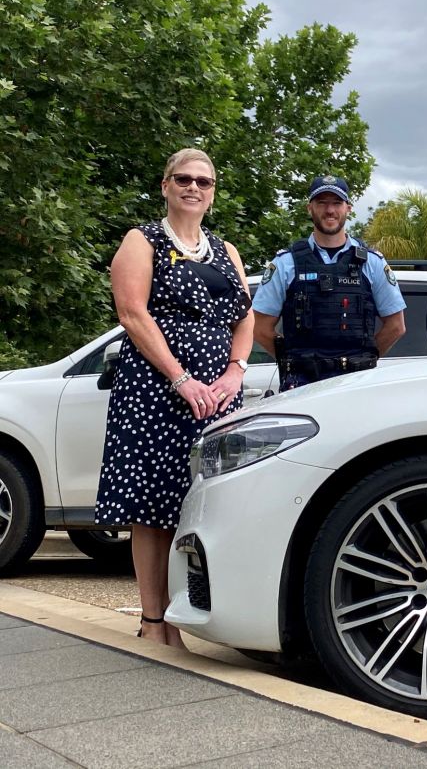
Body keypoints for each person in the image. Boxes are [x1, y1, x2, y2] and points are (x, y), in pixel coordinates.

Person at [95, 148, 253, 647]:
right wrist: (181, 379)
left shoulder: (226, 250)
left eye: (203, 181)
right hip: (157, 390)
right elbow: (132, 313)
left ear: (212, 191)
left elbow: (244, 317)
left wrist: (234, 373)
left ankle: (196, 615)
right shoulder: (143, 240)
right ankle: (153, 621)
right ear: (165, 185)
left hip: (216, 395)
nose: (193, 187)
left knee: (203, 504)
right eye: (183, 179)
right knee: (152, 507)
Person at [252, 175, 406, 390]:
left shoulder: (372, 262)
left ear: (348, 208)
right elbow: (259, 328)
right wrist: (294, 361)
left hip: (356, 384)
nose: (330, 210)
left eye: (336, 203)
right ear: (310, 208)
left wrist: (365, 359)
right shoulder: (286, 263)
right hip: (301, 384)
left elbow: (396, 326)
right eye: (322, 202)